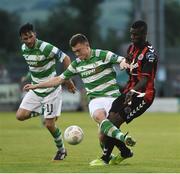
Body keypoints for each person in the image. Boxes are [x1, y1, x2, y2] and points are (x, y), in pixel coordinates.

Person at [23, 33, 136, 164]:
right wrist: (36, 85)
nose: (76, 54)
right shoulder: (76, 64)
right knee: (99, 117)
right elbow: (59, 79)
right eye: (74, 52)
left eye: (78, 50)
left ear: (87, 46)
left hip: (113, 98)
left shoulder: (102, 54)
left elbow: (122, 60)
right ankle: (122, 139)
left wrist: (123, 63)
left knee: (102, 136)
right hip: (95, 99)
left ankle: (124, 152)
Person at [90, 20, 158, 166]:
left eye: (136, 35)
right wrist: (124, 65)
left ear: (144, 34)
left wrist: (132, 92)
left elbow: (144, 81)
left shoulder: (150, 55)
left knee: (114, 122)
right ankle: (125, 152)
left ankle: (105, 158)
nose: (133, 37)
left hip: (143, 96)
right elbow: (128, 65)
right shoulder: (131, 48)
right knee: (109, 120)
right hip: (129, 91)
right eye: (131, 34)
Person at [16, 23, 76, 161]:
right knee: (20, 116)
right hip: (36, 89)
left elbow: (66, 58)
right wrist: (29, 79)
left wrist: (68, 80)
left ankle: (61, 150)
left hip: (51, 89)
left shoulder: (46, 47)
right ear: (21, 39)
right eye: (26, 38)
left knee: (49, 125)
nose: (29, 40)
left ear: (35, 34)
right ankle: (47, 111)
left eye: (31, 36)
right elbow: (34, 68)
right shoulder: (24, 49)